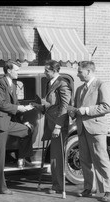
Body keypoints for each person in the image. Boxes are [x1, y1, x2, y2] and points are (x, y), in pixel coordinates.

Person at [68, 61, 110, 202]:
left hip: (96, 129)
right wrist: (73, 112)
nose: (77, 74)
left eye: (80, 72)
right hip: (82, 129)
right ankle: (89, 187)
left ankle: (108, 191)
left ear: (88, 71)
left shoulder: (101, 85)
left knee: (100, 160)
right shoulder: (79, 89)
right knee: (85, 160)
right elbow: (77, 107)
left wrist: (86, 110)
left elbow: (106, 107)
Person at [0, 60, 34, 195]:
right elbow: (1, 104)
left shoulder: (12, 85)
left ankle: (23, 158)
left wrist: (23, 119)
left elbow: (14, 105)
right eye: (16, 70)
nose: (18, 72)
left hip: (8, 122)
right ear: (9, 71)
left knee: (28, 130)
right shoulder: (0, 84)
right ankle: (0, 188)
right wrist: (20, 107)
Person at [31, 60, 71, 194]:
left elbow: (64, 107)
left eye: (47, 71)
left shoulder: (62, 84)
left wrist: (58, 126)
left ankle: (58, 186)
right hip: (50, 123)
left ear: (54, 71)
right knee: (54, 156)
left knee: (57, 156)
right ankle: (56, 185)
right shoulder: (50, 83)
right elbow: (51, 105)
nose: (44, 73)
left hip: (58, 125)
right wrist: (40, 106)